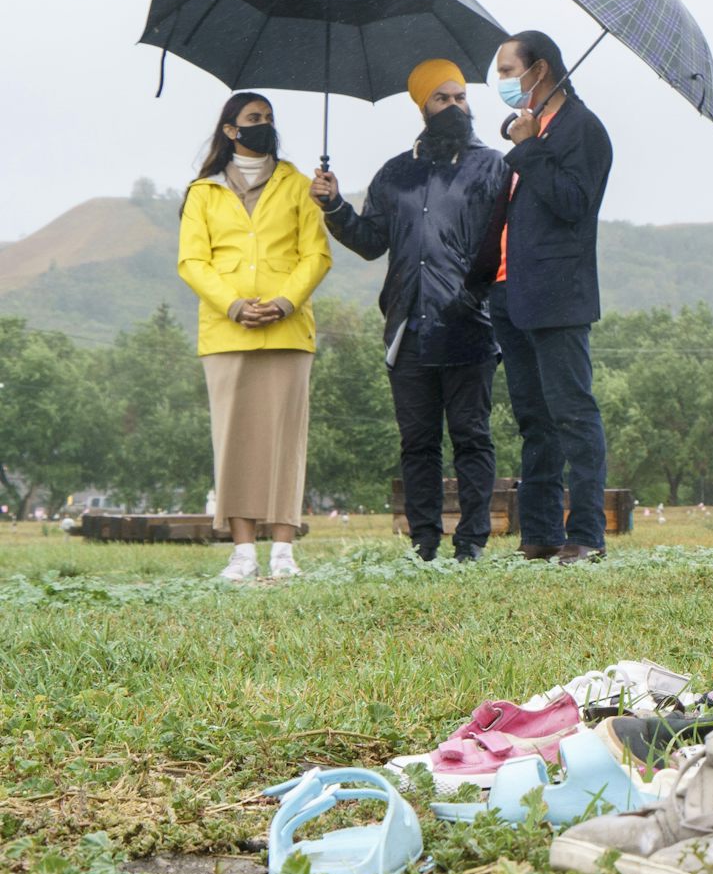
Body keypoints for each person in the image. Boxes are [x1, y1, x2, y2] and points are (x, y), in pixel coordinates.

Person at [311, 60, 510, 562]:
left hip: (470, 326)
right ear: (423, 106)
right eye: (443, 99)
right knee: (418, 442)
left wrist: (475, 297)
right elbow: (371, 242)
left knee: (472, 437)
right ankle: (424, 541)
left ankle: (472, 542)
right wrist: (335, 207)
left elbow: (505, 244)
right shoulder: (394, 173)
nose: (455, 107)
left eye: (461, 97)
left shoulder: (494, 167)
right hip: (408, 327)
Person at [176, 93, 332, 580]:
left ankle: (283, 549)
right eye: (252, 119)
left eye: (267, 119)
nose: (263, 125)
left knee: (287, 439)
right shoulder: (203, 192)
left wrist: (284, 302)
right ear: (230, 130)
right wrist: (235, 305)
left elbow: (316, 256)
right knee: (234, 440)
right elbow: (192, 262)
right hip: (226, 333)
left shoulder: (301, 185)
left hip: (289, 333)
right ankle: (243, 550)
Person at [474, 30, 614, 563]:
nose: (504, 82)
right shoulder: (526, 130)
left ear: (541, 69)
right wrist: (525, 142)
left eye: (510, 70)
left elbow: (574, 204)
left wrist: (530, 148)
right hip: (510, 292)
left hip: (559, 294)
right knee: (533, 418)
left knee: (572, 414)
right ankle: (539, 534)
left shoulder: (584, 129)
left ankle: (585, 535)